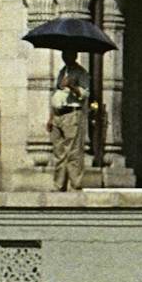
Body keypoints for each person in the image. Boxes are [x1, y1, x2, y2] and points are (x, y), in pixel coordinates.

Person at [46, 63, 92, 193]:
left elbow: (85, 94)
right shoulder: (62, 71)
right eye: (64, 54)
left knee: (73, 151)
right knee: (59, 152)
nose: (65, 56)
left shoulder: (81, 73)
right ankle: (59, 185)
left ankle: (75, 185)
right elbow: (56, 94)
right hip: (57, 115)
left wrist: (71, 86)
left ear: (75, 55)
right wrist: (51, 118)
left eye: (69, 54)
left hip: (71, 114)